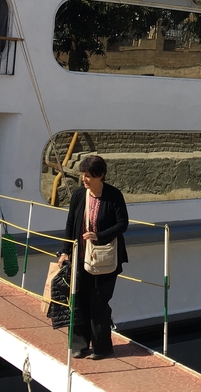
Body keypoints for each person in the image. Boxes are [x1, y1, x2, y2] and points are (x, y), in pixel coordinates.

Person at [57, 154, 128, 360]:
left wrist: (99, 236)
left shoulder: (114, 195)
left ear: (101, 175)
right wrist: (65, 251)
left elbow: (122, 224)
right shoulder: (79, 195)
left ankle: (102, 348)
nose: (84, 179)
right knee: (79, 300)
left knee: (99, 303)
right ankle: (80, 345)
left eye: (88, 176)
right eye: (83, 175)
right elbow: (71, 224)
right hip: (80, 257)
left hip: (106, 260)